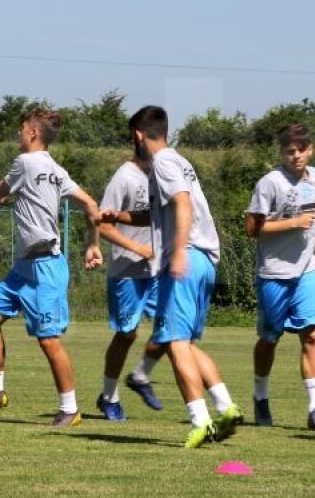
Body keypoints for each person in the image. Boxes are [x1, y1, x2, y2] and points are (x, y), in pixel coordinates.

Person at [102, 106, 241, 448]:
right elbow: (157, 212)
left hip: (187, 257)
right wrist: (119, 215)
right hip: (204, 258)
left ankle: (200, 421)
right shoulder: (178, 161)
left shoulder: (162, 163)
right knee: (184, 342)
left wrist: (177, 251)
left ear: (138, 135)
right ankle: (225, 405)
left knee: (174, 341)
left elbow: (182, 203)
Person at [0, 108, 103, 427]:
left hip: (45, 269)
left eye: (20, 128)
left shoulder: (24, 163)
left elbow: (1, 189)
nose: (17, 134)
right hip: (22, 270)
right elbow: (91, 203)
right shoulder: (56, 169)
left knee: (48, 339)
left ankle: (70, 409)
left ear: (32, 134)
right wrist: (93, 243)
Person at [245, 123, 315, 430]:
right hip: (274, 272)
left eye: (301, 150)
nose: (296, 156)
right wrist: (295, 223)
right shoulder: (270, 183)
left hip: (307, 269)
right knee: (270, 338)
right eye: (289, 151)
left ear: (311, 150)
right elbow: (252, 229)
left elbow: (311, 218)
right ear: (281, 153)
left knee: (312, 334)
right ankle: (260, 397)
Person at [94, 112, 166, 421]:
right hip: (126, 271)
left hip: (159, 269)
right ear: (140, 136)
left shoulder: (165, 174)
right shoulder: (124, 177)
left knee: (170, 329)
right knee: (127, 334)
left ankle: (140, 375)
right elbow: (103, 223)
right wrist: (138, 248)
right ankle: (109, 397)